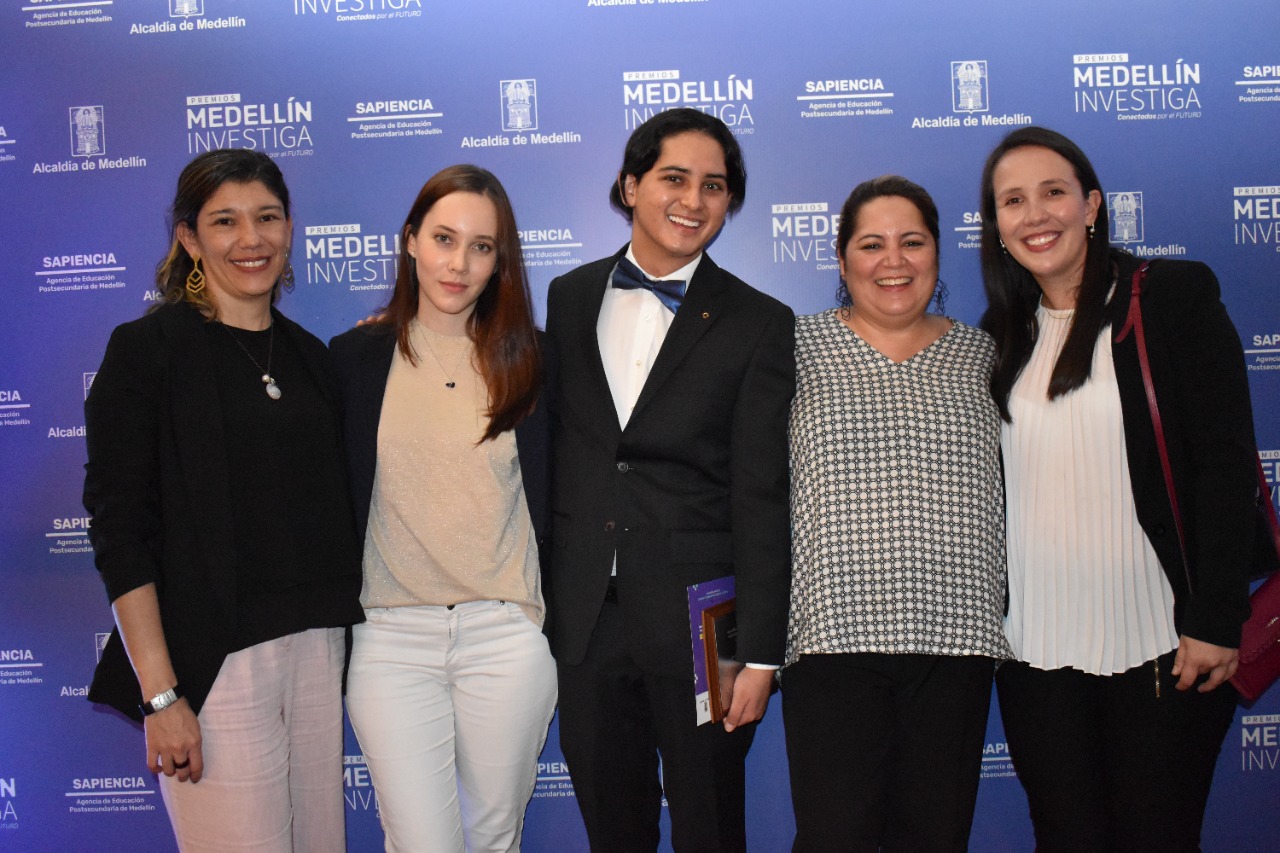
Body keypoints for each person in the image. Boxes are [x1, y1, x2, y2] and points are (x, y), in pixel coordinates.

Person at [979, 126, 1255, 851]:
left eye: (1053, 193)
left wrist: (1216, 618)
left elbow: (1226, 468)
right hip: (1034, 651)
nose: (1035, 215)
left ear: (1092, 205)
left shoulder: (1169, 298)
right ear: (998, 227)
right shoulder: (1000, 335)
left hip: (1164, 641)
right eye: (1013, 201)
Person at [84, 149, 364, 851]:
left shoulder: (311, 359)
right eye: (226, 221)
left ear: (290, 228)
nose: (252, 239)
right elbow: (122, 532)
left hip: (315, 650)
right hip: (211, 669)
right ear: (188, 239)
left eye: (267, 217)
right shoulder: (148, 351)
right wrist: (161, 696)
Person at [544, 107, 795, 852]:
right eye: (673, 178)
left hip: (707, 619)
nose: (693, 200)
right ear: (630, 186)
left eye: (713, 186)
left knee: (710, 823)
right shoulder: (568, 295)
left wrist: (761, 652)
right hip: (587, 613)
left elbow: (761, 492)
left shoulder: (759, 320)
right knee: (611, 826)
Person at [330, 164, 556, 852]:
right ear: (410, 241)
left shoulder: (536, 361)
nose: (459, 263)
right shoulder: (353, 358)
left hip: (504, 632)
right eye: (443, 238)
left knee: (494, 838)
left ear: (501, 260)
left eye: (481, 246)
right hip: (390, 636)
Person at [783, 175, 1010, 852]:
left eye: (912, 241)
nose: (894, 260)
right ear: (842, 257)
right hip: (831, 640)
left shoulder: (985, 354)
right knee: (834, 838)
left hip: (955, 642)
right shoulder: (792, 349)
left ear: (938, 254)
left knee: (936, 839)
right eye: (872, 243)